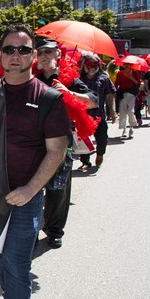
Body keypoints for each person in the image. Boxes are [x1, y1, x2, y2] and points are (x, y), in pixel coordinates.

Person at [0, 25, 70, 299]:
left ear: (34, 56)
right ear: (0, 55)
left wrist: (30, 190)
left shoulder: (49, 98)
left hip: (24, 198)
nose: (15, 56)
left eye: (23, 50)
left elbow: (57, 149)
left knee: (17, 267)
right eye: (9, 50)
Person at [35, 39, 97, 248]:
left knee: (58, 188)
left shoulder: (69, 79)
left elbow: (92, 100)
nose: (44, 55)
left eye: (49, 52)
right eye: (40, 51)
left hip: (60, 140)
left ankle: (53, 231)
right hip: (32, 140)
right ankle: (29, 231)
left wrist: (69, 93)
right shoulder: (30, 77)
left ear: (58, 56)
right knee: (31, 187)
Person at [78, 55, 116, 168]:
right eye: (89, 64)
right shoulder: (79, 79)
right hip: (83, 115)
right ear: (84, 65)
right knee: (83, 140)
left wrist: (112, 111)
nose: (92, 67)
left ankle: (100, 154)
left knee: (102, 138)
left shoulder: (104, 78)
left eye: (95, 65)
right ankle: (85, 162)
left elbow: (110, 95)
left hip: (99, 115)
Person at [114, 64, 141, 139]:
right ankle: (124, 129)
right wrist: (113, 92)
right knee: (123, 112)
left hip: (132, 94)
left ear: (130, 66)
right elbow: (116, 83)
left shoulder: (134, 73)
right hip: (123, 95)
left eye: (127, 66)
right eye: (125, 66)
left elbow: (138, 83)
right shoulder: (120, 73)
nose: (126, 67)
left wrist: (131, 78)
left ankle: (131, 128)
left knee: (131, 111)